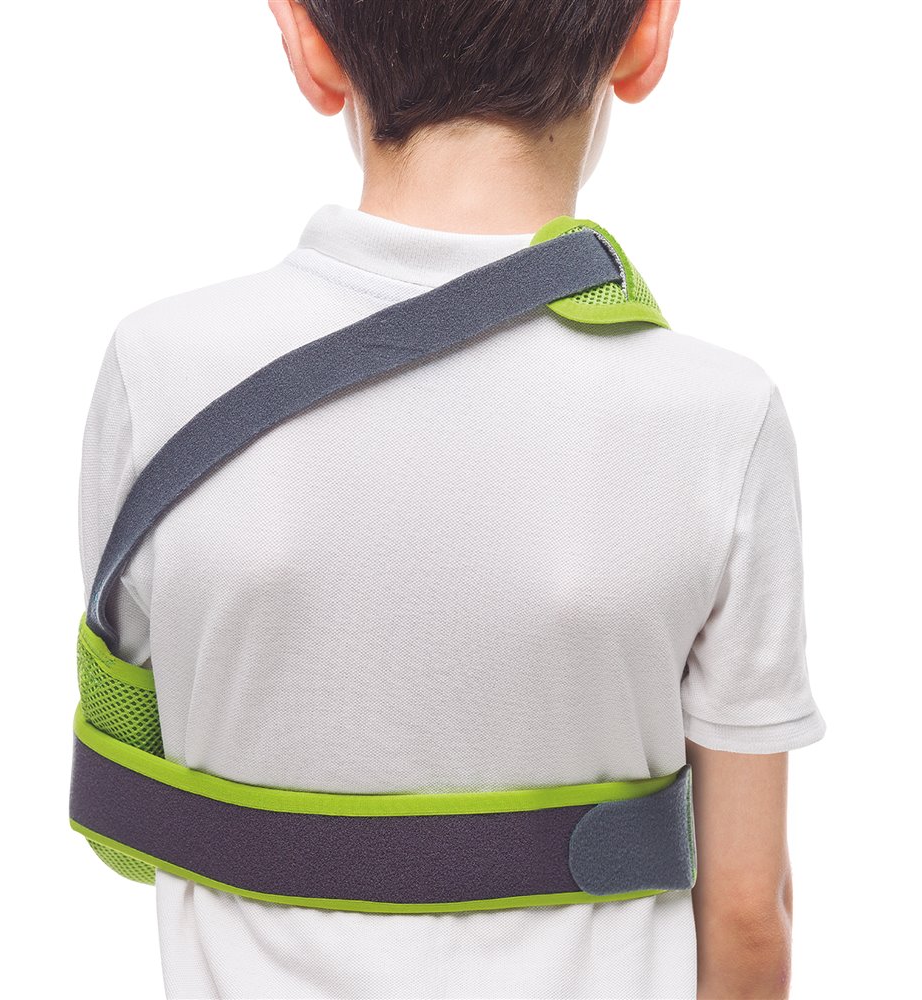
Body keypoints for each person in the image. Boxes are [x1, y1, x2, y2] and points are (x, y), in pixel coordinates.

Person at [77, 1, 827, 996]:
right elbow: (745, 913)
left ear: (308, 43)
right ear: (646, 36)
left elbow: (132, 796)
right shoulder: (718, 416)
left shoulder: (158, 372)